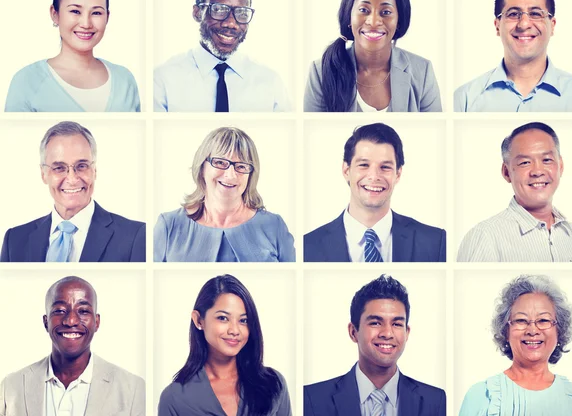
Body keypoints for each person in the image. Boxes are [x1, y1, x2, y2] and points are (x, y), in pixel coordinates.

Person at [0, 121, 145, 262]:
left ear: (94, 170)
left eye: (81, 166)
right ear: (43, 174)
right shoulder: (14, 240)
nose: (72, 178)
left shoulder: (134, 237)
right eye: (59, 168)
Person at [0, 276, 145, 415]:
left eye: (83, 311)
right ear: (46, 322)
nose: (70, 321)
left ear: (97, 322)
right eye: (60, 311)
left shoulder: (132, 389)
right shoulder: (12, 386)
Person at [454, 0, 572, 111]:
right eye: (513, 14)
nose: (524, 24)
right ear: (497, 26)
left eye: (536, 14)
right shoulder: (465, 99)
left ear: (552, 25)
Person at [305, 275, 446, 415]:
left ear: (407, 332)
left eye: (396, 324)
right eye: (376, 323)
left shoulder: (434, 402)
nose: (387, 333)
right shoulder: (311, 400)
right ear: (353, 332)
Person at [304, 123, 445, 262]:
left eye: (385, 167)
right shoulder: (308, 246)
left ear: (398, 174)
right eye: (364, 165)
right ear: (346, 170)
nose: (374, 176)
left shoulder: (435, 243)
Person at [154, 0, 291, 112]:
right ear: (197, 13)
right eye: (219, 10)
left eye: (242, 13)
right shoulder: (163, 79)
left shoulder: (271, 82)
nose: (231, 23)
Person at [5, 0, 140, 112]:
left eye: (96, 13)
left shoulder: (125, 80)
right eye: (75, 11)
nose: (86, 24)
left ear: (107, 17)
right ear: (55, 14)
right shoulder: (27, 81)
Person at [304, 0, 441, 112]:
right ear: (349, 16)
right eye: (364, 10)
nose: (374, 21)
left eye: (386, 12)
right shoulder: (320, 72)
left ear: (399, 21)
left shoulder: (423, 71)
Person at [457, 122, 572, 262]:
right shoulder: (486, 237)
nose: (537, 171)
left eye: (546, 160)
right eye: (525, 162)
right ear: (506, 172)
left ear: (561, 166)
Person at [155, 127, 294, 262]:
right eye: (220, 162)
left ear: (251, 175)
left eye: (241, 166)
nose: (230, 175)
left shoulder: (274, 226)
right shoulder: (168, 225)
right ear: (202, 167)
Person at [158, 274, 292, 415]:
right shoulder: (174, 398)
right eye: (223, 318)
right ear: (198, 320)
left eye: (243, 320)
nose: (234, 330)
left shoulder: (273, 384)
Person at [459, 275, 572, 415]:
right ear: (506, 330)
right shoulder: (480, 396)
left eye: (543, 320)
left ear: (559, 330)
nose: (532, 330)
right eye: (521, 320)